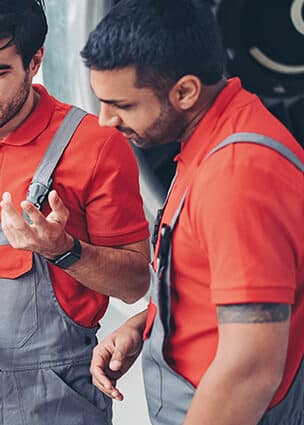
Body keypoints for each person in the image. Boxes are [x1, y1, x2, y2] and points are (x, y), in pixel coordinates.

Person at [0, 0, 151, 423]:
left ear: (35, 61)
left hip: (62, 401)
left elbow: (135, 283)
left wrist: (64, 250)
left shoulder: (95, 145)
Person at [81, 1, 304, 424]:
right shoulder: (212, 138)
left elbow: (250, 369)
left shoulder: (238, 174)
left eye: (121, 105)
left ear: (184, 92)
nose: (104, 120)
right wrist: (148, 326)